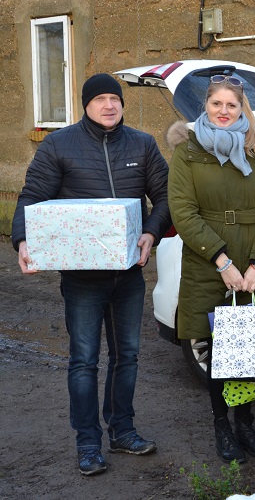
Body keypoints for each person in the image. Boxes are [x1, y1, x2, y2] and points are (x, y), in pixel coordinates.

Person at [11, 73, 171, 476]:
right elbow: (32, 197)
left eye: (114, 99)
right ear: (85, 104)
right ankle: (87, 443)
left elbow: (166, 196)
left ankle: (122, 430)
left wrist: (151, 233)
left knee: (128, 357)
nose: (108, 105)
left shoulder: (143, 144)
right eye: (99, 99)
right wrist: (23, 241)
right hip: (81, 277)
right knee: (84, 360)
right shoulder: (58, 144)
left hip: (128, 275)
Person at [166, 74, 255, 464]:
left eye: (231, 105)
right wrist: (222, 260)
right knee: (219, 352)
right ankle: (222, 426)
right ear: (206, 106)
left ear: (242, 110)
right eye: (216, 104)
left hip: (254, 259)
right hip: (209, 263)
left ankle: (246, 424)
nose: (223, 111)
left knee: (250, 349)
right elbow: (183, 212)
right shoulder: (187, 152)